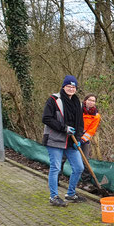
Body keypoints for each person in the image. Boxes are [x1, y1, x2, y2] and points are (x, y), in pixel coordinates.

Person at [41, 75, 85, 207]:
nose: (71, 89)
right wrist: (64, 128)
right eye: (69, 86)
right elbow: (46, 119)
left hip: (71, 142)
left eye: (73, 87)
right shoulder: (54, 100)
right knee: (55, 168)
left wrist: (78, 138)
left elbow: (80, 123)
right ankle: (53, 196)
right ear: (63, 86)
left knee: (79, 167)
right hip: (55, 140)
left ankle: (70, 193)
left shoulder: (78, 103)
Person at [80, 93, 100, 160]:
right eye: (89, 100)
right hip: (74, 134)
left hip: (84, 138)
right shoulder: (78, 109)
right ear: (85, 100)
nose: (91, 102)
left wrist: (83, 140)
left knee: (85, 158)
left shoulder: (96, 116)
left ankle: (85, 170)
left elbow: (91, 130)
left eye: (93, 101)